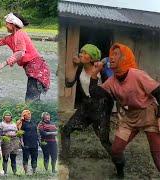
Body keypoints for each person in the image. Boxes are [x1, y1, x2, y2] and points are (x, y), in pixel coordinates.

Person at [90, 43, 160, 178]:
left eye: (116, 54)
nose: (111, 57)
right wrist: (94, 73)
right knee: (115, 150)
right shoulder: (112, 81)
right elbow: (96, 94)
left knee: (157, 155)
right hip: (129, 117)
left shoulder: (137, 75)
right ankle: (120, 173)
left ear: (125, 57)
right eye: (111, 54)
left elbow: (158, 91)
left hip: (148, 114)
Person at [0, 12, 51, 102]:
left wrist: (4, 63)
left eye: (7, 23)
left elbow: (20, 53)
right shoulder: (10, 38)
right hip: (33, 70)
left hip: (38, 70)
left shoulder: (20, 34)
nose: (5, 25)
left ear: (13, 24)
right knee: (32, 99)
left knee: (30, 100)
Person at [60, 44, 113, 159]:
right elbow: (69, 84)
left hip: (100, 108)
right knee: (66, 130)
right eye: (81, 52)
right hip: (86, 106)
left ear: (92, 58)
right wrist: (68, 69)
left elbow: (111, 92)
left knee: (104, 140)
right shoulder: (80, 68)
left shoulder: (101, 72)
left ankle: (119, 165)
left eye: (85, 53)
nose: (81, 54)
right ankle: (64, 159)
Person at [17, 110, 39, 174]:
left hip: (34, 142)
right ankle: (26, 172)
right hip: (26, 142)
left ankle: (34, 170)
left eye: (30, 114)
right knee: (26, 157)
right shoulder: (21, 122)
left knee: (34, 157)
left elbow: (36, 131)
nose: (29, 115)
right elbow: (18, 131)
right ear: (24, 116)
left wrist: (38, 140)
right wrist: (21, 141)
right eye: (27, 114)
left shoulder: (33, 122)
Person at [0, 111, 19, 175]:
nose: (8, 118)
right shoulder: (1, 124)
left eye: (9, 116)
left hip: (14, 141)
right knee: (5, 157)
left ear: (11, 117)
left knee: (13, 157)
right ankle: (5, 172)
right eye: (6, 117)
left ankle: (14, 172)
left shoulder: (14, 124)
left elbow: (17, 131)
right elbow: (0, 133)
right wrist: (6, 135)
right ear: (4, 117)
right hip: (6, 141)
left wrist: (17, 134)